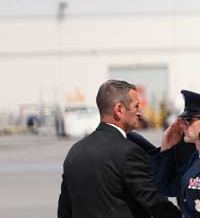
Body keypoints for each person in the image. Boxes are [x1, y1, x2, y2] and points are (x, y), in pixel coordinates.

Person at [58, 79, 180, 218]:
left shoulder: (75, 152)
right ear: (119, 110)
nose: (140, 113)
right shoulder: (129, 152)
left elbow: (64, 209)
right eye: (136, 106)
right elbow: (154, 202)